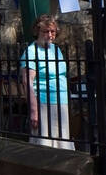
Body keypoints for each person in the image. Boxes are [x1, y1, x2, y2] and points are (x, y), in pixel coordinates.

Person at [21, 15, 74, 150]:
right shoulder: (31, 52)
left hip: (61, 102)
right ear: (37, 32)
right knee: (44, 144)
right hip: (43, 103)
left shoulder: (56, 50)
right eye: (46, 31)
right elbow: (27, 82)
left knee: (62, 142)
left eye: (53, 31)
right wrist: (34, 111)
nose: (50, 35)